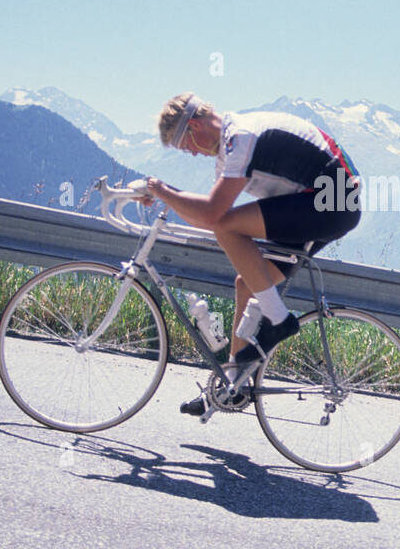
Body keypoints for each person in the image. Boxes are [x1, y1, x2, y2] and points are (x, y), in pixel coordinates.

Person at [131, 93, 361, 414]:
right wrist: (164, 197)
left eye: (189, 147)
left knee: (226, 225)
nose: (194, 154)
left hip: (332, 200)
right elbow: (206, 216)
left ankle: (279, 320)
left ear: (195, 126)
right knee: (247, 284)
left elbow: (214, 216)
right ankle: (231, 386)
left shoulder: (239, 138)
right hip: (318, 202)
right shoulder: (229, 151)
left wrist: (162, 190)